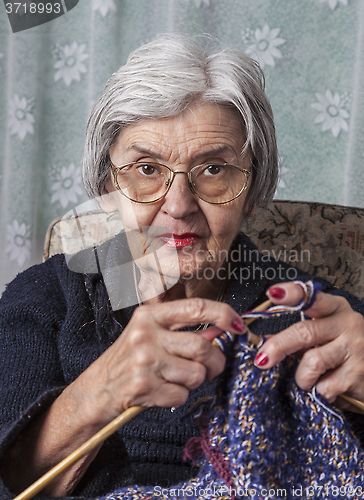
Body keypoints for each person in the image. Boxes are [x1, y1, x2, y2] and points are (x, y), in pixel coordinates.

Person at [0, 35, 364, 499]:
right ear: (107, 185)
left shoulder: (318, 318)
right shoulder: (46, 298)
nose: (178, 205)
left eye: (213, 170)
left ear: (253, 189)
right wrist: (100, 393)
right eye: (147, 169)